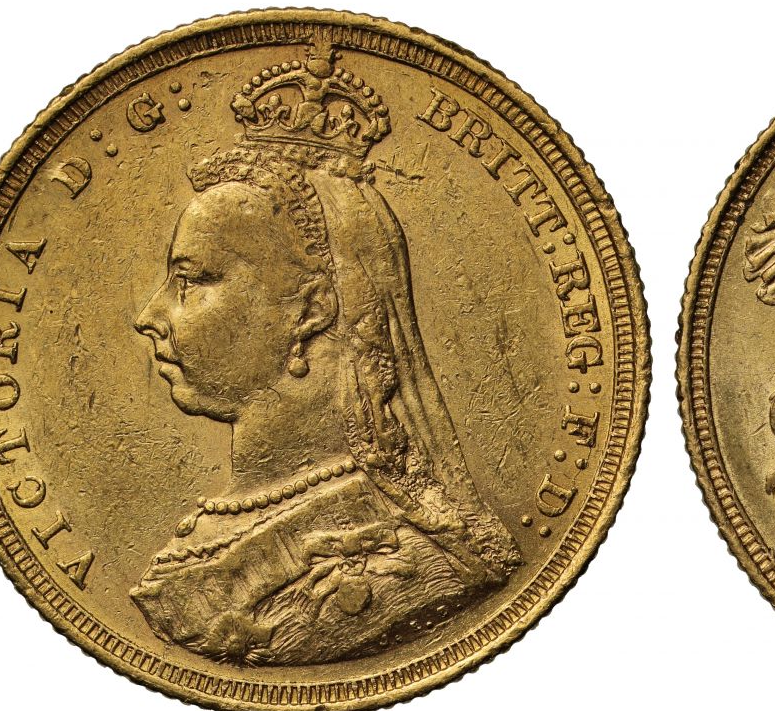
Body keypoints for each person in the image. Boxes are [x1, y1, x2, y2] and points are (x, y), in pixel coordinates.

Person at [130, 51, 521, 666]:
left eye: (192, 280)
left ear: (312, 309)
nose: (149, 316)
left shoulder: (407, 566)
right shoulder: (212, 529)